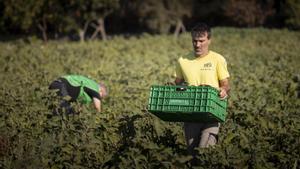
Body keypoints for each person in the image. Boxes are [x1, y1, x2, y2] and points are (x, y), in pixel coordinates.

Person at [174, 23, 230, 155]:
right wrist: (180, 88)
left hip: (212, 113)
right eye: (194, 41)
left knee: (205, 153)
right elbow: (177, 84)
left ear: (209, 41)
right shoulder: (183, 60)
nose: (197, 45)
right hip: (191, 114)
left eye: (201, 41)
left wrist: (223, 90)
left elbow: (226, 84)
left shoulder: (217, 59)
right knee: (192, 154)